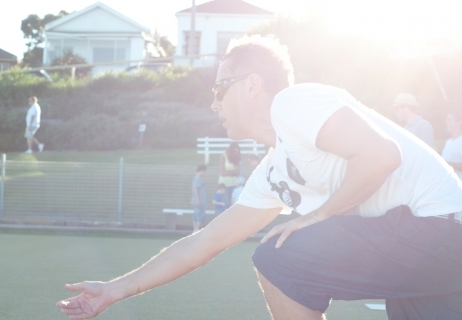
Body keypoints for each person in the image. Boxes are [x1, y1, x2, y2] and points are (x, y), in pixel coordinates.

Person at [57, 35, 462, 320]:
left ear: (252, 85)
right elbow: (203, 243)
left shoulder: (294, 102)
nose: (213, 102)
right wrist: (116, 289)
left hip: (437, 230)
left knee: (281, 256)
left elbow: (381, 156)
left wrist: (318, 218)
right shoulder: (271, 171)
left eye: (219, 89)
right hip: (430, 255)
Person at [218, 142, 241, 208]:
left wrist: (228, 172)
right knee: (226, 203)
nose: (236, 153)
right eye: (234, 151)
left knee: (233, 203)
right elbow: (222, 172)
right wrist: (232, 173)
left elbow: (237, 172)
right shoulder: (223, 157)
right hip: (224, 184)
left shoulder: (237, 158)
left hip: (234, 183)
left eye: (237, 151)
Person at [441, 111, 462, 180]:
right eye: (446, 120)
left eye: (449, 120)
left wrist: (445, 164)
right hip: (447, 187)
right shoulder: (448, 142)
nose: (446, 123)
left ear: (459, 122)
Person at [191, 164, 207, 233]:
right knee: (199, 215)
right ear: (201, 170)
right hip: (199, 201)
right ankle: (196, 229)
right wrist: (198, 199)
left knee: (196, 214)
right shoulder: (197, 178)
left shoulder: (198, 178)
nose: (205, 173)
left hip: (199, 200)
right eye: (204, 171)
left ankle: (195, 229)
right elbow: (195, 189)